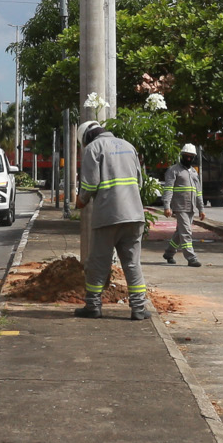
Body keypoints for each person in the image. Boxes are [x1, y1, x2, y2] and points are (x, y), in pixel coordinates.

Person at [73, 119, 151, 320]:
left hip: (108, 216)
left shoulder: (93, 149)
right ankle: (139, 308)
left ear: (86, 137)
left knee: (98, 263)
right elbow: (139, 182)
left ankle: (93, 306)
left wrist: (80, 201)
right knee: (132, 263)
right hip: (134, 214)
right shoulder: (128, 146)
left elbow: (90, 185)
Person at [162, 143, 205, 268]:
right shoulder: (173, 170)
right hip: (180, 207)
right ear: (182, 155)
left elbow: (198, 192)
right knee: (186, 233)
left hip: (191, 207)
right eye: (186, 156)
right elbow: (168, 189)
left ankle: (169, 253)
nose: (189, 158)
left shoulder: (194, 172)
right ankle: (191, 258)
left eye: (191, 156)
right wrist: (167, 206)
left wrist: (201, 209)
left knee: (180, 232)